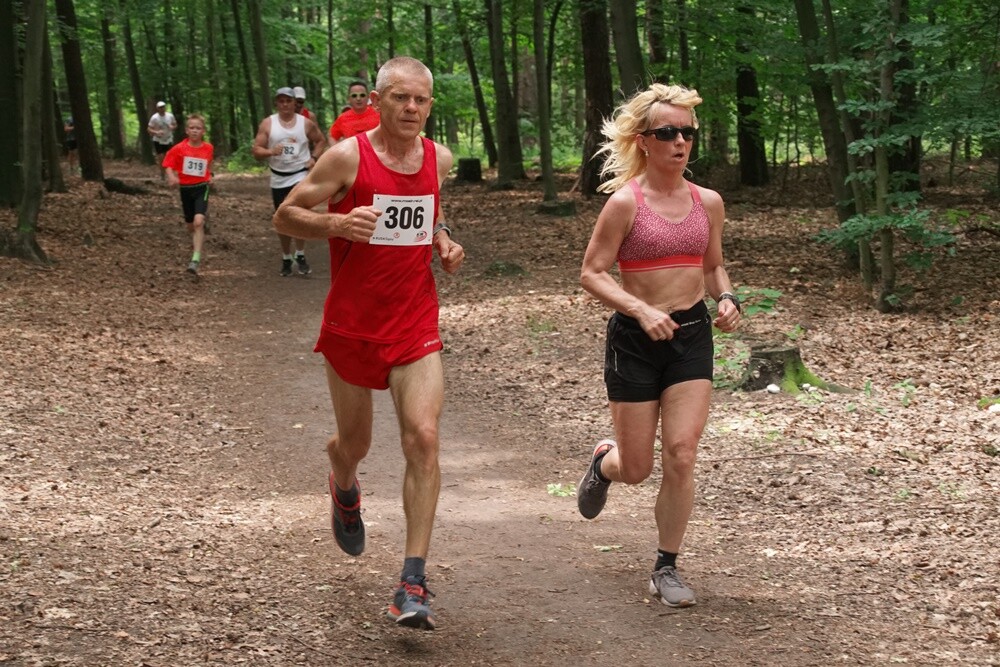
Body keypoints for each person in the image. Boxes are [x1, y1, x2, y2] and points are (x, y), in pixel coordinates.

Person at [273, 56, 464, 631]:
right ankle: (344, 479)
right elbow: (286, 215)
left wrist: (444, 240)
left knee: (423, 438)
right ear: (377, 100)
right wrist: (336, 225)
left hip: (414, 324)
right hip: (353, 327)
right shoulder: (346, 157)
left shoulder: (440, 159)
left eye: (422, 100)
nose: (411, 108)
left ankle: (412, 581)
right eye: (401, 98)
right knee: (354, 443)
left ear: (430, 105)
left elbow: (433, 214)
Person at [576, 83, 741, 609]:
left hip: (691, 337)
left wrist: (728, 297)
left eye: (687, 133)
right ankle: (606, 461)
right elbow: (592, 273)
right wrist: (639, 308)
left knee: (682, 454)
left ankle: (666, 566)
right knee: (638, 467)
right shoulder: (625, 204)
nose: (680, 141)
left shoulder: (708, 202)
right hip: (635, 340)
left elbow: (712, 265)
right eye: (668, 132)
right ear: (644, 140)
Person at [252, 86, 327, 277]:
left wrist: (314, 158)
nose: (285, 104)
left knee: (300, 216)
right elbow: (256, 151)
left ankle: (300, 254)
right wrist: (271, 152)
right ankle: (286, 256)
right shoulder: (268, 124)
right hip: (278, 177)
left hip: (300, 175)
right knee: (282, 219)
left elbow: (320, 140)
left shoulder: (305, 123)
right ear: (277, 103)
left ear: (295, 103)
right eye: (281, 101)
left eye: (289, 101)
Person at [162, 114, 214, 277]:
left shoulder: (208, 148)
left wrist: (210, 176)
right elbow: (167, 164)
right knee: (191, 226)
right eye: (192, 128)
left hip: (201, 188)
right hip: (185, 189)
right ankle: (197, 235)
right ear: (186, 130)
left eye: (198, 128)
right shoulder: (179, 149)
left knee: (198, 222)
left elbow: (208, 165)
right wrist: (171, 176)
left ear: (203, 131)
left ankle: (195, 259)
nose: (194, 131)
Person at [327, 80, 379, 147]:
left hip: (377, 154)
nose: (358, 98)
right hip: (353, 156)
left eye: (362, 95)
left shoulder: (379, 114)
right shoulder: (342, 118)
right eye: (354, 95)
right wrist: (337, 150)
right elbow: (331, 136)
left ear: (368, 97)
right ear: (349, 99)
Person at [148, 101, 177, 181]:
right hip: (158, 140)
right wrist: (156, 132)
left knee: (169, 157)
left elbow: (175, 124)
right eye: (160, 107)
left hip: (168, 139)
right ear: (157, 108)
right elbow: (149, 129)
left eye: (163, 107)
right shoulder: (154, 117)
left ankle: (170, 175)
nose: (162, 109)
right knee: (161, 158)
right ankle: (162, 175)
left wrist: (172, 127)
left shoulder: (170, 116)